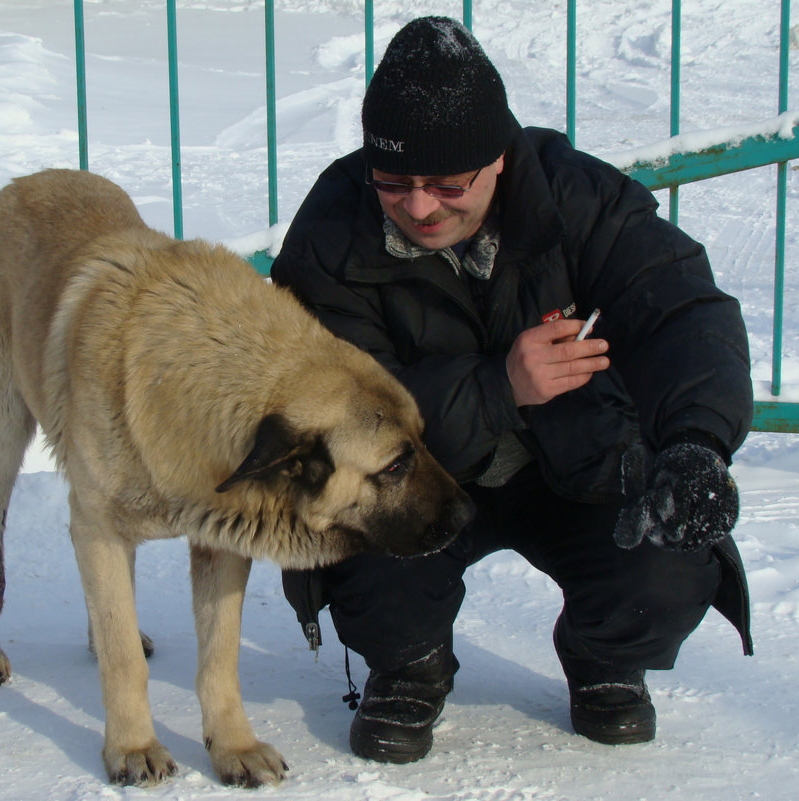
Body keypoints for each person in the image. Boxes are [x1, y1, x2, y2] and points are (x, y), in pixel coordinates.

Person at [270, 16, 754, 764]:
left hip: (579, 462)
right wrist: (501, 385)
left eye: (447, 184)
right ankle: (410, 665)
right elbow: (337, 406)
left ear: (497, 159)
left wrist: (697, 440)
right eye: (394, 182)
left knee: (667, 556)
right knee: (361, 540)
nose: (421, 207)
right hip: (419, 475)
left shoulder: (578, 195)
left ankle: (603, 656)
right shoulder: (333, 232)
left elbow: (680, 308)